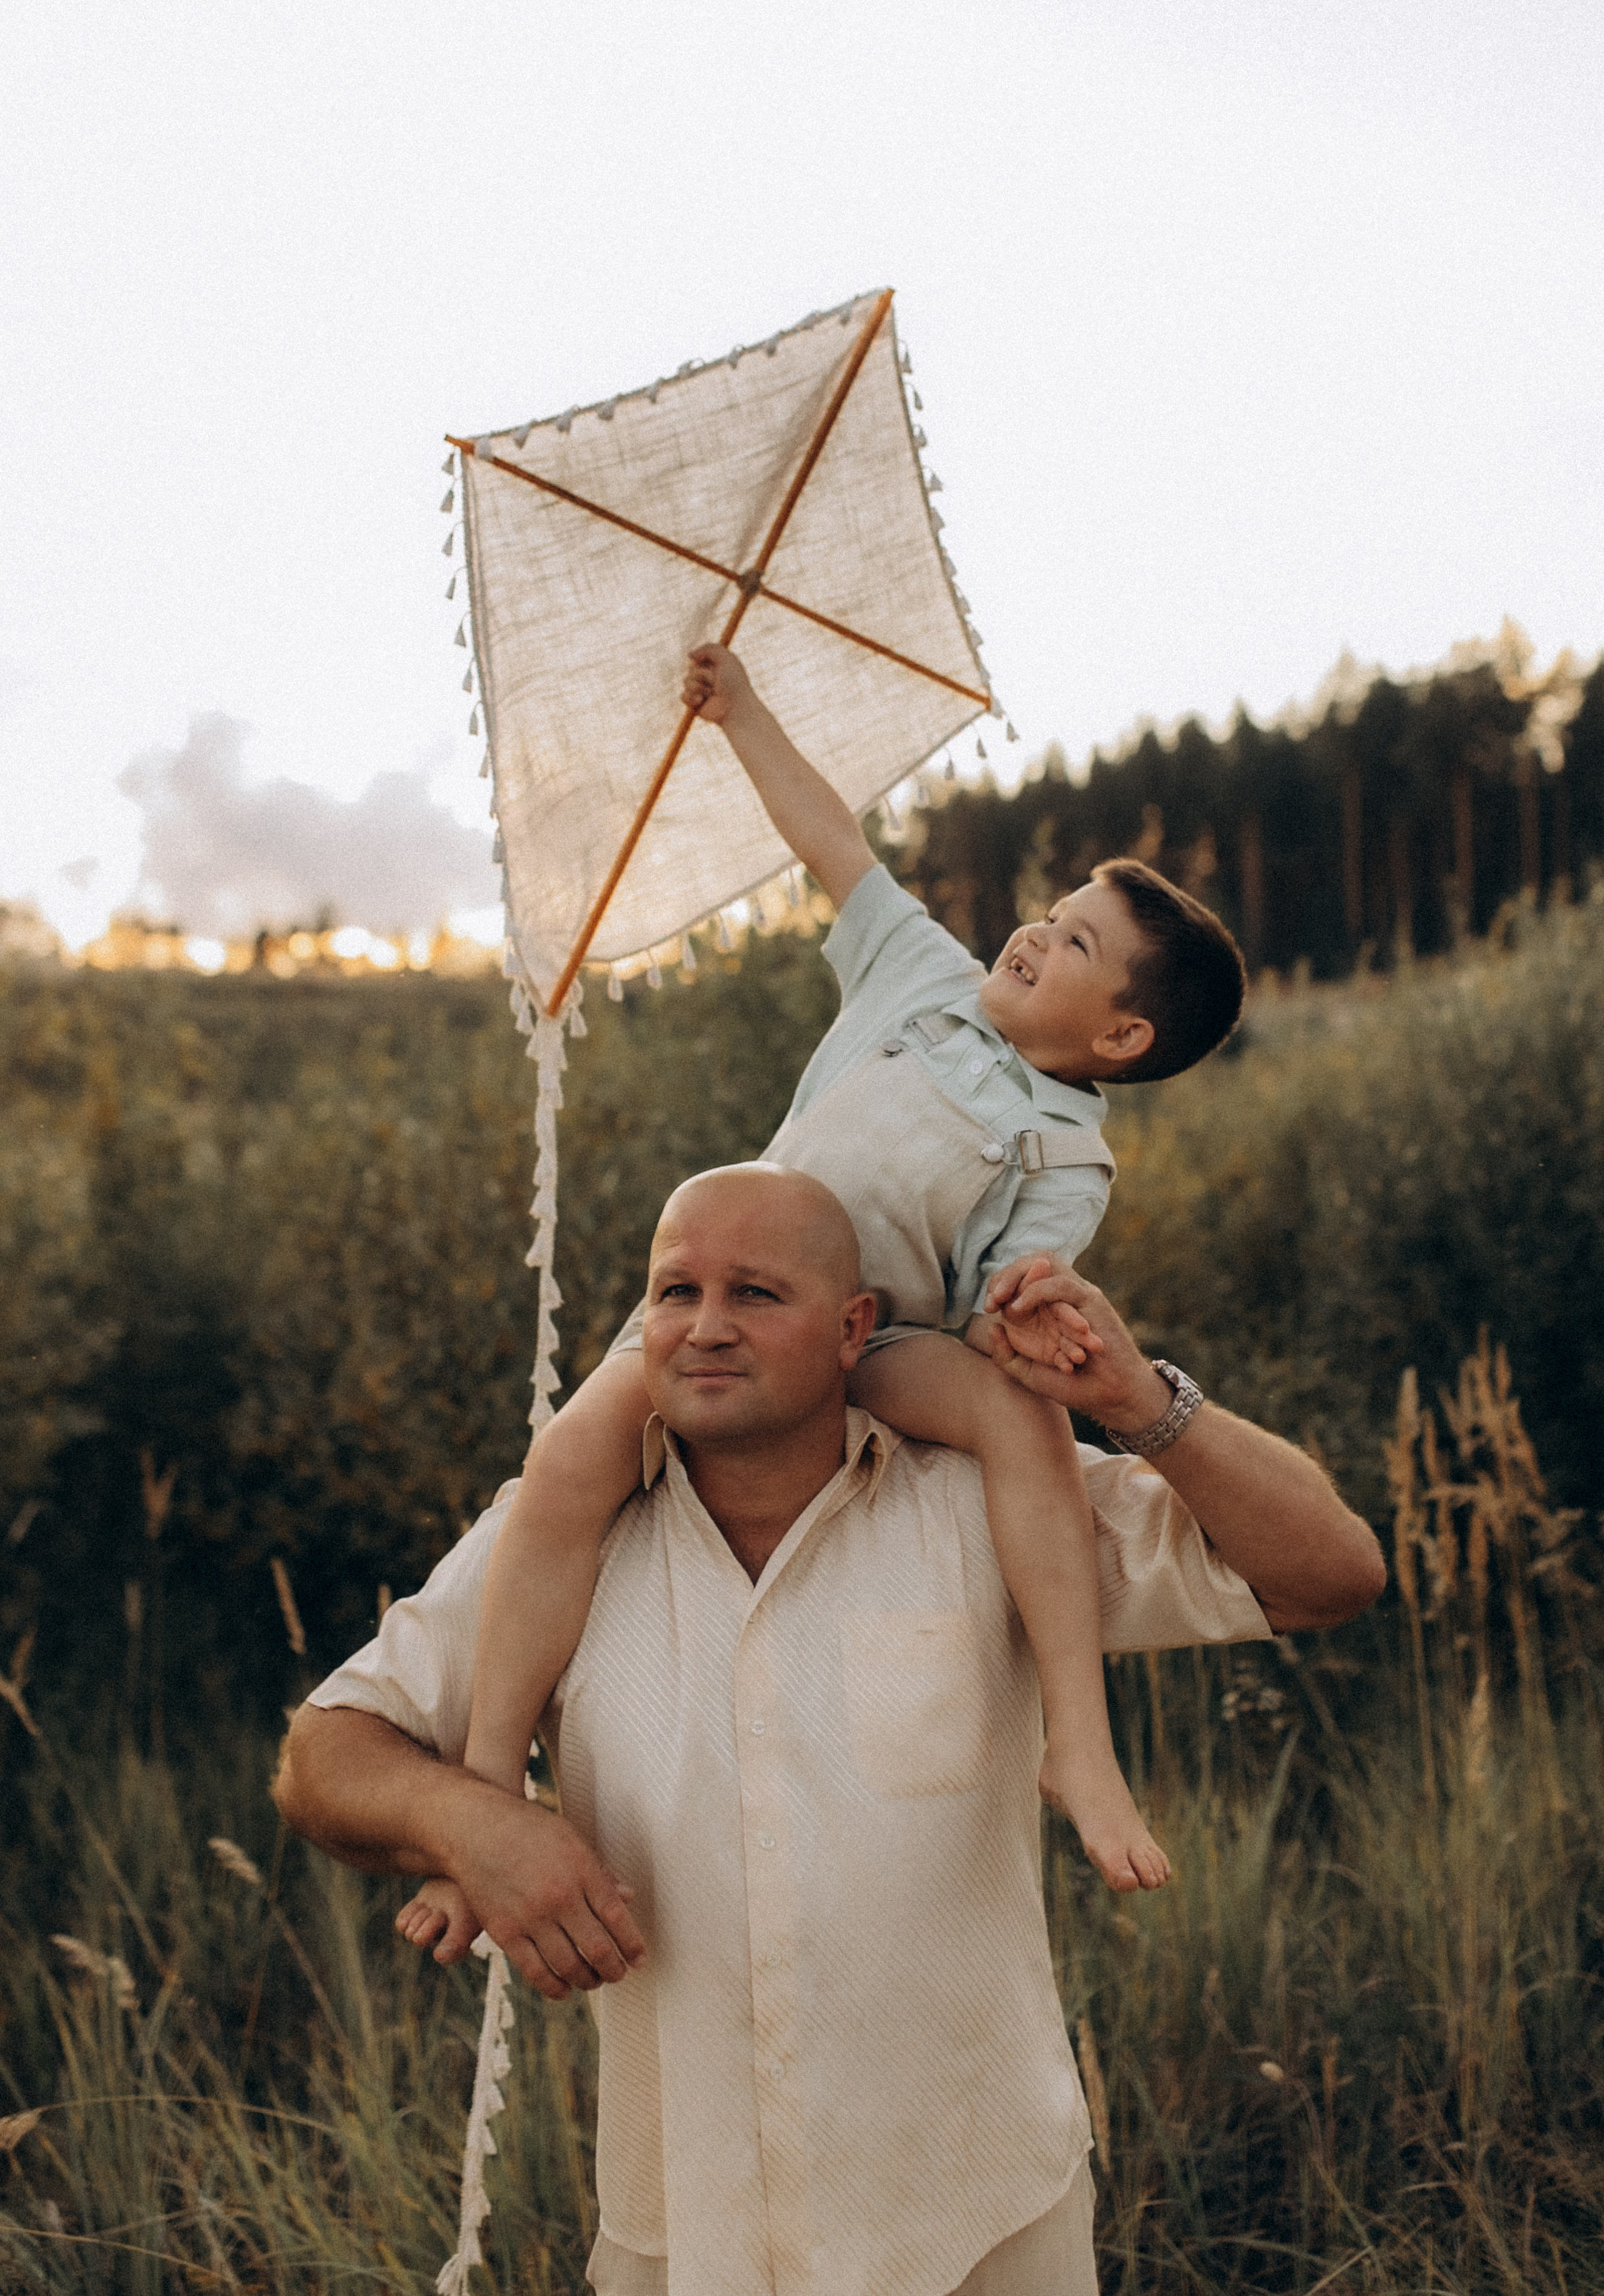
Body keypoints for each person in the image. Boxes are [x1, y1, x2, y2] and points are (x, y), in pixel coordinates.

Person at [276, 1162, 1384, 2296]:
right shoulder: (552, 1541)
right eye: (675, 1292)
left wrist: (1142, 1402)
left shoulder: (996, 1499)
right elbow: (324, 1753)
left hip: (983, 2230)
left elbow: (1329, 1575)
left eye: (755, 1294)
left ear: (856, 1327)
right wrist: (478, 1828)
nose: (707, 1327)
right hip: (689, 2242)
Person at [407, 644, 1248, 1963]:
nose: (1036, 931)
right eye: (1051, 911)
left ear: (1121, 1036)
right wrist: (740, 713)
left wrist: (1026, 1331)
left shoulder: (1065, 1156)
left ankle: (1078, 1747)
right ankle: (485, 1784)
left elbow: (994, 1313)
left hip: (881, 1340)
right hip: (732, 1292)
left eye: (1077, 941)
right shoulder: (923, 979)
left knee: (1026, 1425)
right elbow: (831, 840)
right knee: (569, 1465)